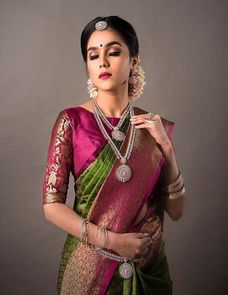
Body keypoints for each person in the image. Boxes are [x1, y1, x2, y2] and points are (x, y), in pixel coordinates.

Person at [42, 15, 185, 295]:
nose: (103, 62)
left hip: (149, 269)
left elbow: (177, 212)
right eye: (93, 55)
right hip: (90, 269)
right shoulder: (72, 122)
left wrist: (166, 147)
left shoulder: (153, 126)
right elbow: (51, 206)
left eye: (114, 51)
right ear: (87, 66)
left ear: (134, 61)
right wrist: (115, 242)